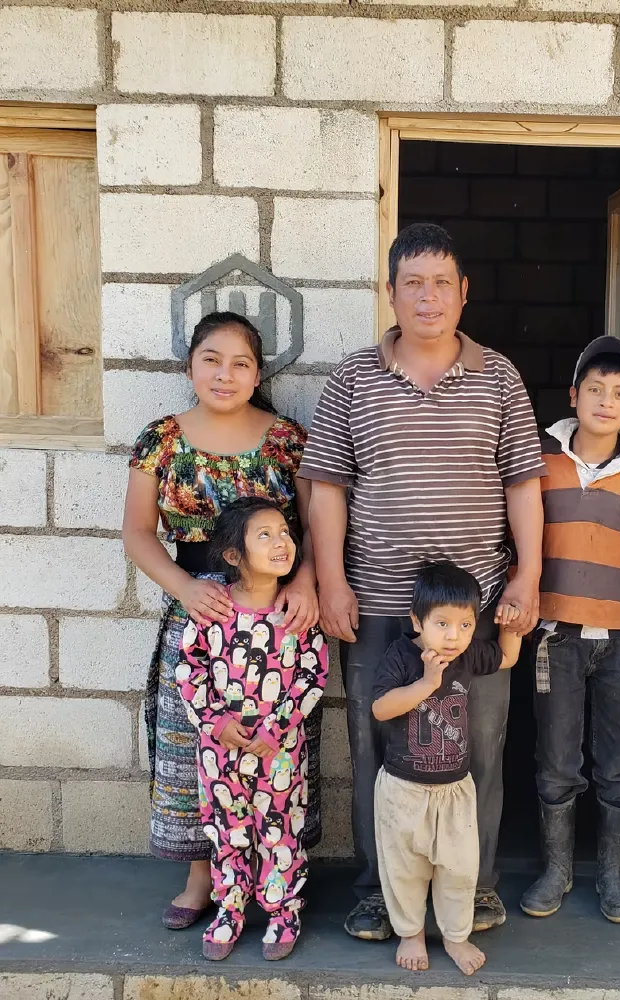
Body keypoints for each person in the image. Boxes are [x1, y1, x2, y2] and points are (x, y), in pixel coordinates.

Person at [299, 223, 545, 940]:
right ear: (391, 292)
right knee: (380, 749)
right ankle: (381, 891)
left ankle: (475, 888)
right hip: (376, 604)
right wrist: (331, 580)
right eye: (413, 282)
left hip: (476, 610)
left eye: (442, 283)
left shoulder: (498, 376)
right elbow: (326, 489)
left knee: (478, 747)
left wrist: (526, 579)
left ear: (464, 293)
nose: (428, 297)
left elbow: (524, 484)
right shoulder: (353, 377)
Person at [122, 312, 321, 931]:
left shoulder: (287, 440)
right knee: (198, 746)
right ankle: (201, 875)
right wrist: (185, 589)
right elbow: (136, 533)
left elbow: (317, 525)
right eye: (211, 359)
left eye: (240, 362)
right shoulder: (161, 439)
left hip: (273, 618)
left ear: (258, 372)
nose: (224, 374)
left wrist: (308, 580)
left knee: (271, 745)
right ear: (190, 365)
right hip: (199, 611)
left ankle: (272, 881)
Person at [519, 337, 620, 925]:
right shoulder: (539, 459)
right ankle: (556, 871)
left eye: (619, 394)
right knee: (557, 757)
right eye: (595, 391)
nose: (605, 402)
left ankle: (613, 875)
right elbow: (515, 534)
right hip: (553, 636)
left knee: (619, 760)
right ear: (573, 396)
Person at [176, 497, 328, 961]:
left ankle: (283, 911)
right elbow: (189, 671)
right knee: (228, 830)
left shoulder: (297, 614)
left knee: (281, 829)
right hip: (219, 752)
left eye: (285, 532)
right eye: (264, 535)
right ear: (233, 556)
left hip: (278, 751)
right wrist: (216, 722)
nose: (281, 542)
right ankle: (230, 908)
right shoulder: (213, 611)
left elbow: (312, 676)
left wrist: (276, 729)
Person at [372, 563, 523, 975]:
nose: (453, 636)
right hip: (403, 789)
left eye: (465, 625)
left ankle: (456, 936)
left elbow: (508, 655)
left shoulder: (468, 654)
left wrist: (510, 618)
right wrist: (424, 684)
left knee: (459, 867)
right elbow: (381, 707)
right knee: (405, 868)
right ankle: (411, 932)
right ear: (416, 621)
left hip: (455, 789)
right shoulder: (402, 655)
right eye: (441, 623)